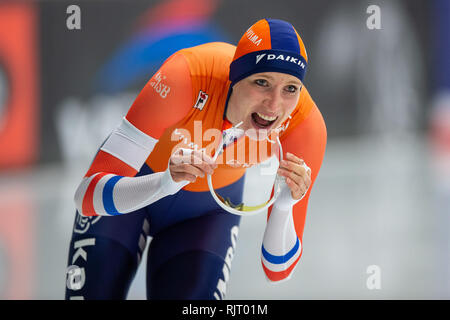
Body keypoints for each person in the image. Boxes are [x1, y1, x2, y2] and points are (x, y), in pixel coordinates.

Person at [65, 18, 327, 300]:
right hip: (134, 183)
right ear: (234, 78)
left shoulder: (304, 125)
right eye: (261, 83)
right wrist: (165, 183)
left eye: (290, 88)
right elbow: (87, 197)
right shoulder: (187, 75)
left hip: (206, 214)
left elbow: (277, 270)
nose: (274, 105)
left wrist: (285, 204)